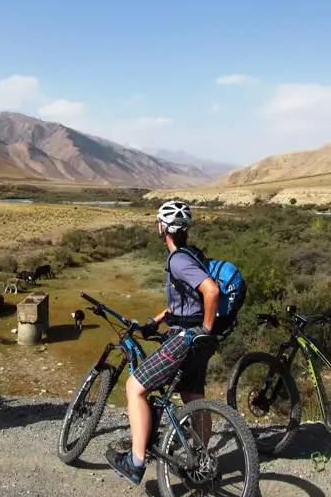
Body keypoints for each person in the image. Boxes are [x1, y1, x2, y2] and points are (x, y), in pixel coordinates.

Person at [107, 200, 220, 485]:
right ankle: (202, 460)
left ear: (163, 228)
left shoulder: (177, 260)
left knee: (135, 388)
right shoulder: (193, 254)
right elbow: (184, 301)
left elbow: (211, 291)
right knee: (194, 397)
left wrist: (205, 328)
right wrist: (157, 320)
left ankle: (135, 462)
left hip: (187, 338)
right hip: (197, 339)